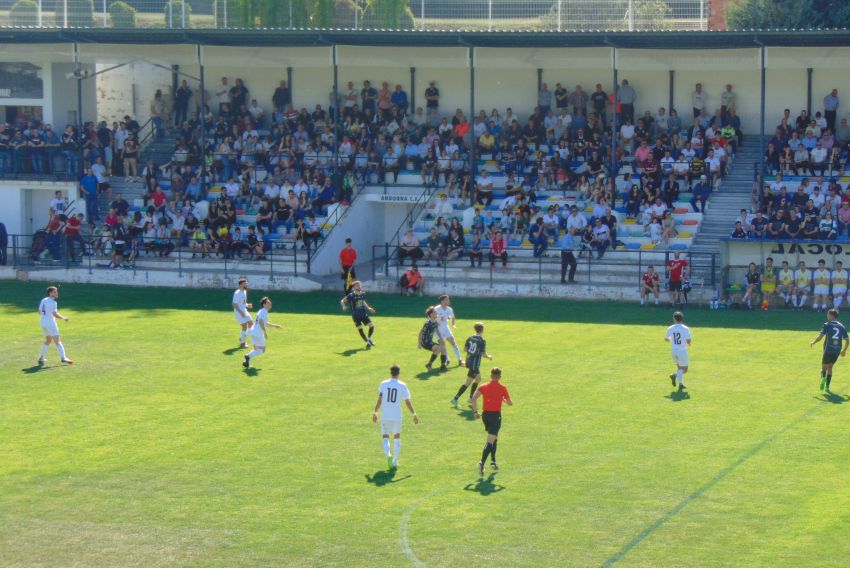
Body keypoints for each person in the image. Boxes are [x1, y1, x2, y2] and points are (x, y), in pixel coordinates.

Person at [372, 364, 418, 469]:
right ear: (399, 373)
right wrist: (414, 414)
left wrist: (375, 412)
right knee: (397, 437)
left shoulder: (383, 384)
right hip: (397, 416)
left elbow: (380, 400)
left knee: (385, 436)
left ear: (390, 372)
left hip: (385, 415)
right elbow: (407, 402)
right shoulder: (402, 385)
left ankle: (388, 455)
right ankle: (395, 460)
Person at [471, 367, 513, 476]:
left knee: (494, 438)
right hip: (495, 416)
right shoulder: (502, 388)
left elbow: (473, 399)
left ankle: (493, 461)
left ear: (491, 375)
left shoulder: (483, 386)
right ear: (499, 377)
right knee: (490, 440)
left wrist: (475, 412)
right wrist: (504, 399)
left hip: (485, 415)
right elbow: (510, 403)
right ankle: (482, 463)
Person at [451, 322, 493, 409]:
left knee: (478, 379)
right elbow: (483, 353)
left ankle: (470, 398)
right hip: (474, 364)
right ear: (482, 330)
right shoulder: (482, 340)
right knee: (467, 382)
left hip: (469, 361)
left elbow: (465, 349)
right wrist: (489, 357)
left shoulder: (470, 337)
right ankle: (455, 398)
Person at [811, 308, 849, 393]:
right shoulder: (842, 326)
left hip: (828, 349)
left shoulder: (827, 325)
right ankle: (827, 387)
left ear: (832, 316)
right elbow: (847, 340)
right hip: (837, 350)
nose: (827, 316)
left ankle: (823, 378)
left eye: (828, 314)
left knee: (823, 368)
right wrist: (844, 350)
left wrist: (814, 342)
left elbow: (820, 337)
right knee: (830, 367)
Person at [37, 286, 73, 365]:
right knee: (57, 341)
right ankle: (63, 357)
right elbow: (55, 314)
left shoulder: (44, 300)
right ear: (50, 293)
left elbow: (39, 311)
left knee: (48, 339)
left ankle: (41, 357)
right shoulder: (53, 303)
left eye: (56, 291)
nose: (56, 293)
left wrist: (45, 317)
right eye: (54, 292)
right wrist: (63, 318)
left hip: (42, 322)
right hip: (50, 323)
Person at [242, 296, 282, 369]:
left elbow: (265, 323)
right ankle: (248, 356)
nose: (270, 303)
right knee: (262, 350)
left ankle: (246, 362)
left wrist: (275, 326)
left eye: (269, 302)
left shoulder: (263, 311)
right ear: (264, 304)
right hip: (258, 333)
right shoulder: (264, 312)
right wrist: (265, 332)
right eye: (268, 302)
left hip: (253, 332)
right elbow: (261, 322)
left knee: (256, 348)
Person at [340, 280, 376, 349]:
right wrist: (344, 306)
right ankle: (368, 342)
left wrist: (369, 308)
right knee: (360, 329)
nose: (359, 286)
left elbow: (363, 301)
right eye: (357, 285)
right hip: (356, 316)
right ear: (354, 288)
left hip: (364, 314)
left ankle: (369, 339)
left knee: (372, 326)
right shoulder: (351, 295)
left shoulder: (362, 294)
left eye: (360, 285)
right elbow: (342, 301)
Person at [664, 311, 691, 392]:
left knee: (679, 368)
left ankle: (681, 384)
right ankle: (674, 376)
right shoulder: (685, 328)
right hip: (682, 351)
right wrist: (688, 344)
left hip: (673, 351)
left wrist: (671, 339)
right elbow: (688, 340)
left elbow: (666, 338)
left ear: (674, 319)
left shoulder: (670, 328)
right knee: (685, 369)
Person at [435, 294, 462, 366]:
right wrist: (440, 318)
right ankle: (447, 359)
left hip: (445, 327)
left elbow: (452, 317)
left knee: (453, 342)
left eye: (448, 299)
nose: (449, 301)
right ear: (442, 301)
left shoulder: (449, 309)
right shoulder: (436, 309)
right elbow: (433, 318)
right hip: (438, 329)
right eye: (447, 299)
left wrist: (453, 324)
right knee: (442, 345)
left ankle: (460, 360)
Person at [419, 307, 447, 372]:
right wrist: (419, 343)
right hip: (425, 342)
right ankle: (429, 364)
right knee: (439, 348)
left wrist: (441, 338)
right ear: (431, 315)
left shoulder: (435, 322)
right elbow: (421, 332)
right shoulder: (427, 323)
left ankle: (443, 365)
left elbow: (437, 330)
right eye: (434, 312)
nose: (436, 313)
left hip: (430, 342)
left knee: (443, 348)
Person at [232, 277, 253, 348]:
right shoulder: (237, 293)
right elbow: (234, 304)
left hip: (244, 310)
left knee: (251, 323)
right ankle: (242, 343)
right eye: (245, 283)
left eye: (247, 283)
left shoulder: (244, 291)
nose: (246, 284)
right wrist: (241, 313)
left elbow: (243, 302)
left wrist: (247, 305)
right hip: (239, 312)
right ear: (241, 285)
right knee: (244, 326)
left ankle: (242, 337)